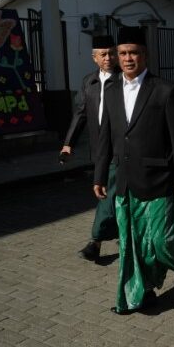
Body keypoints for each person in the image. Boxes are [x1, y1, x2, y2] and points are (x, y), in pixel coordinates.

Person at [93, 26, 174, 314]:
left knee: (162, 240)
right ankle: (143, 291)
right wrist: (100, 174)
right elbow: (105, 136)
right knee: (132, 244)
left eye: (133, 52)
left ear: (145, 55)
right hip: (124, 180)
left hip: (159, 178)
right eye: (122, 53)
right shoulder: (110, 89)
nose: (127, 58)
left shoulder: (165, 90)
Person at [61, 35, 120, 261]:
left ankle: (95, 241)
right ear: (94, 57)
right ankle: (123, 232)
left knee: (107, 190)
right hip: (99, 148)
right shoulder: (89, 82)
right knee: (112, 191)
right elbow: (80, 114)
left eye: (111, 53)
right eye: (103, 54)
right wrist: (68, 144)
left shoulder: (124, 80)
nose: (108, 58)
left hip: (119, 147)